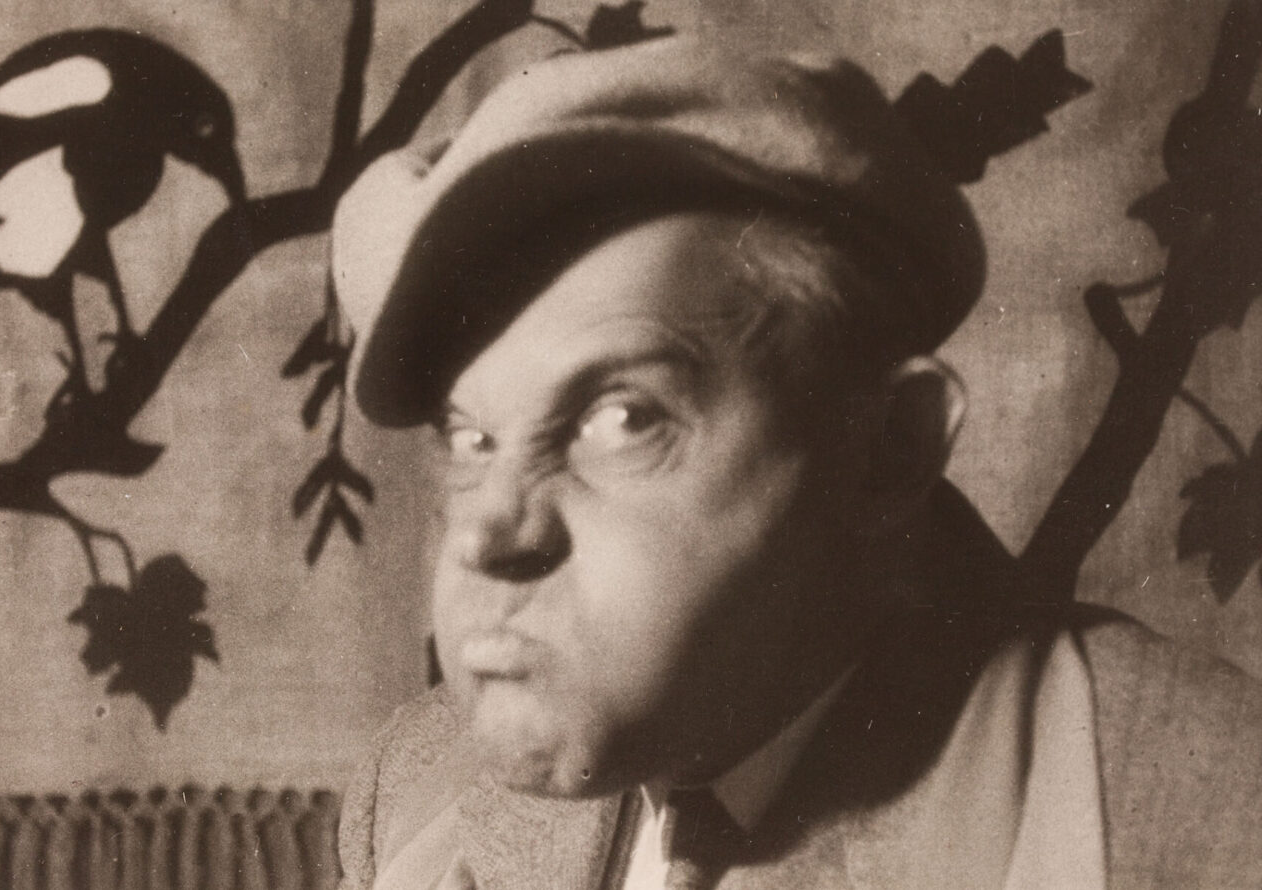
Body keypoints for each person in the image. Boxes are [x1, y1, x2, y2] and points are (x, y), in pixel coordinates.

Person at [329, 35, 1262, 890]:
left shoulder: (1209, 816)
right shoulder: (413, 788)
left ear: (890, 449)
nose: (489, 535)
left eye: (623, 417)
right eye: (471, 439)